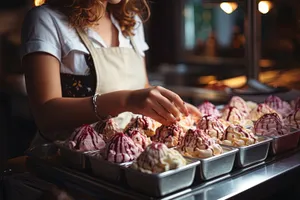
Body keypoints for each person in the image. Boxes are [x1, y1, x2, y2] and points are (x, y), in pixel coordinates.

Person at [21, 0, 200, 145]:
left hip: (128, 152)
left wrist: (168, 107)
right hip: (66, 159)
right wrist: (127, 101)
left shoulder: (132, 21)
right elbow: (46, 115)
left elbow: (141, 86)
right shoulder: (46, 20)